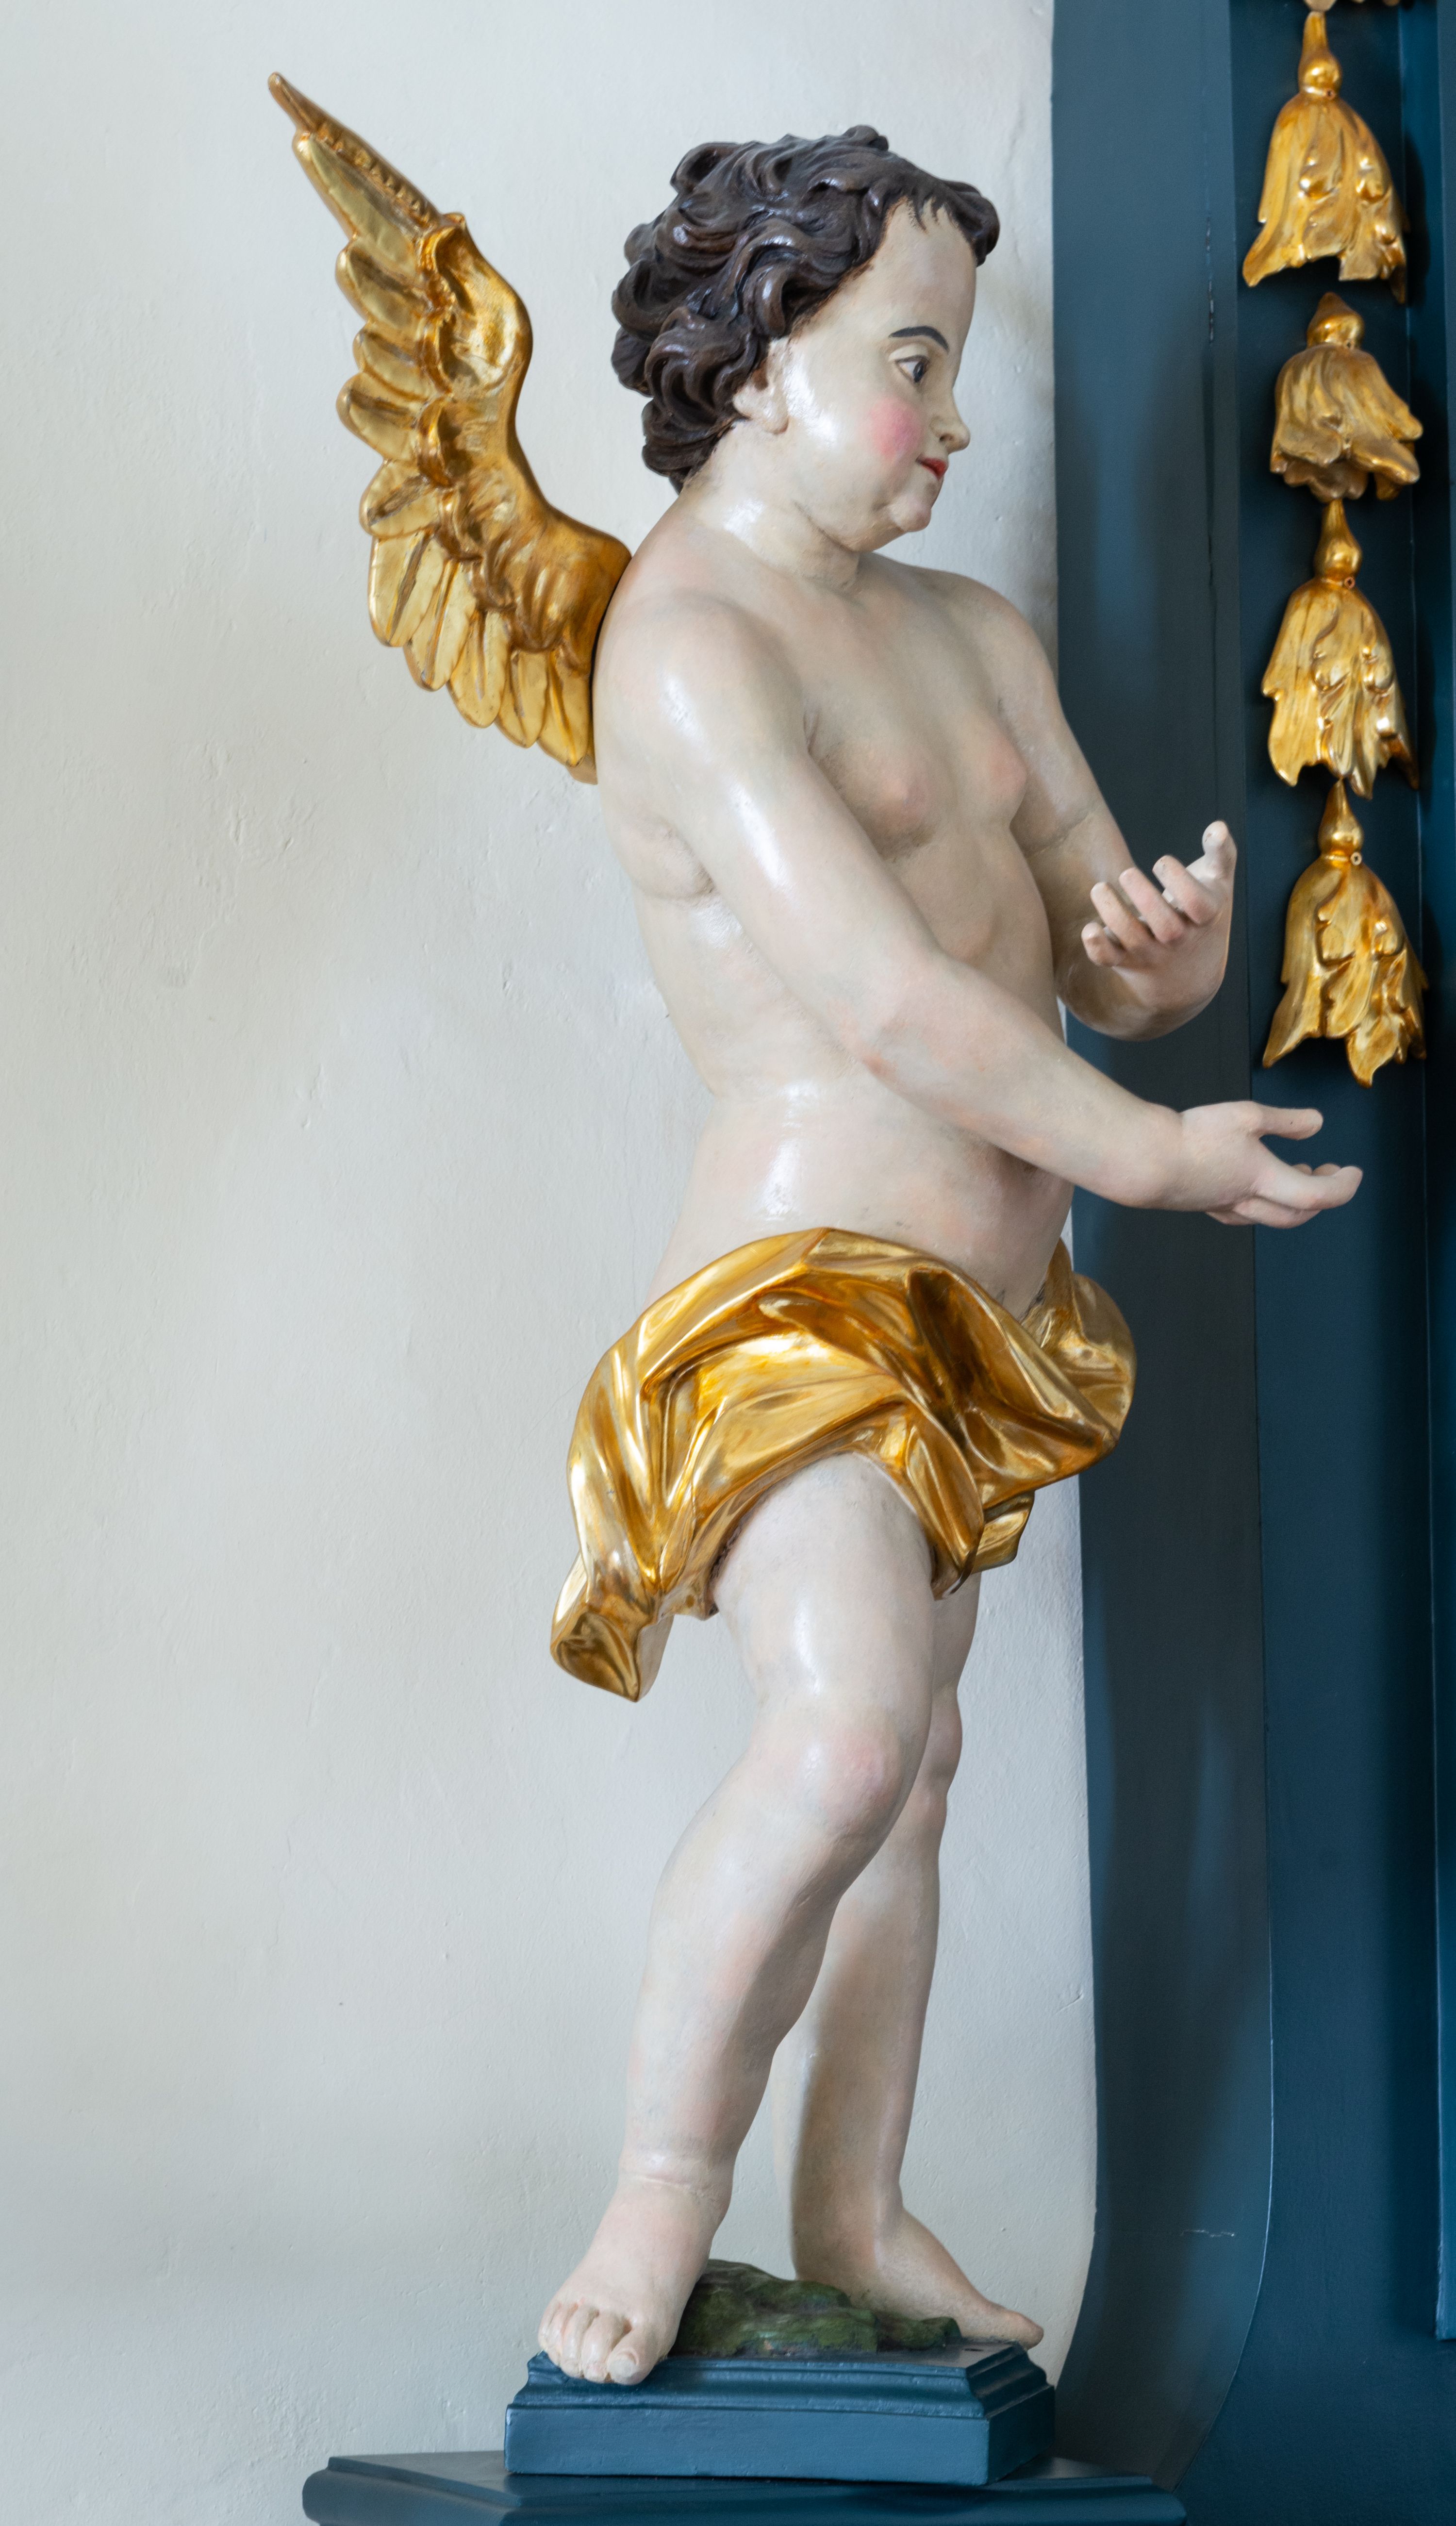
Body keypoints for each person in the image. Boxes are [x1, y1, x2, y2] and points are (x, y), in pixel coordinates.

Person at [537, 128, 1359, 2391]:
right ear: (762, 361)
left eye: (953, 361)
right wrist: (1152, 1153)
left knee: (914, 1772)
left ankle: (856, 2203)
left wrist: (1165, 964)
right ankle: (660, 2189)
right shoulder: (690, 648)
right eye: (911, 361)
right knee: (842, 1734)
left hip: (983, 1318)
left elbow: (1088, 949)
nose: (954, 418)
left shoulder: (970, 637)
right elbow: (894, 1002)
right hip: (798, 1297)